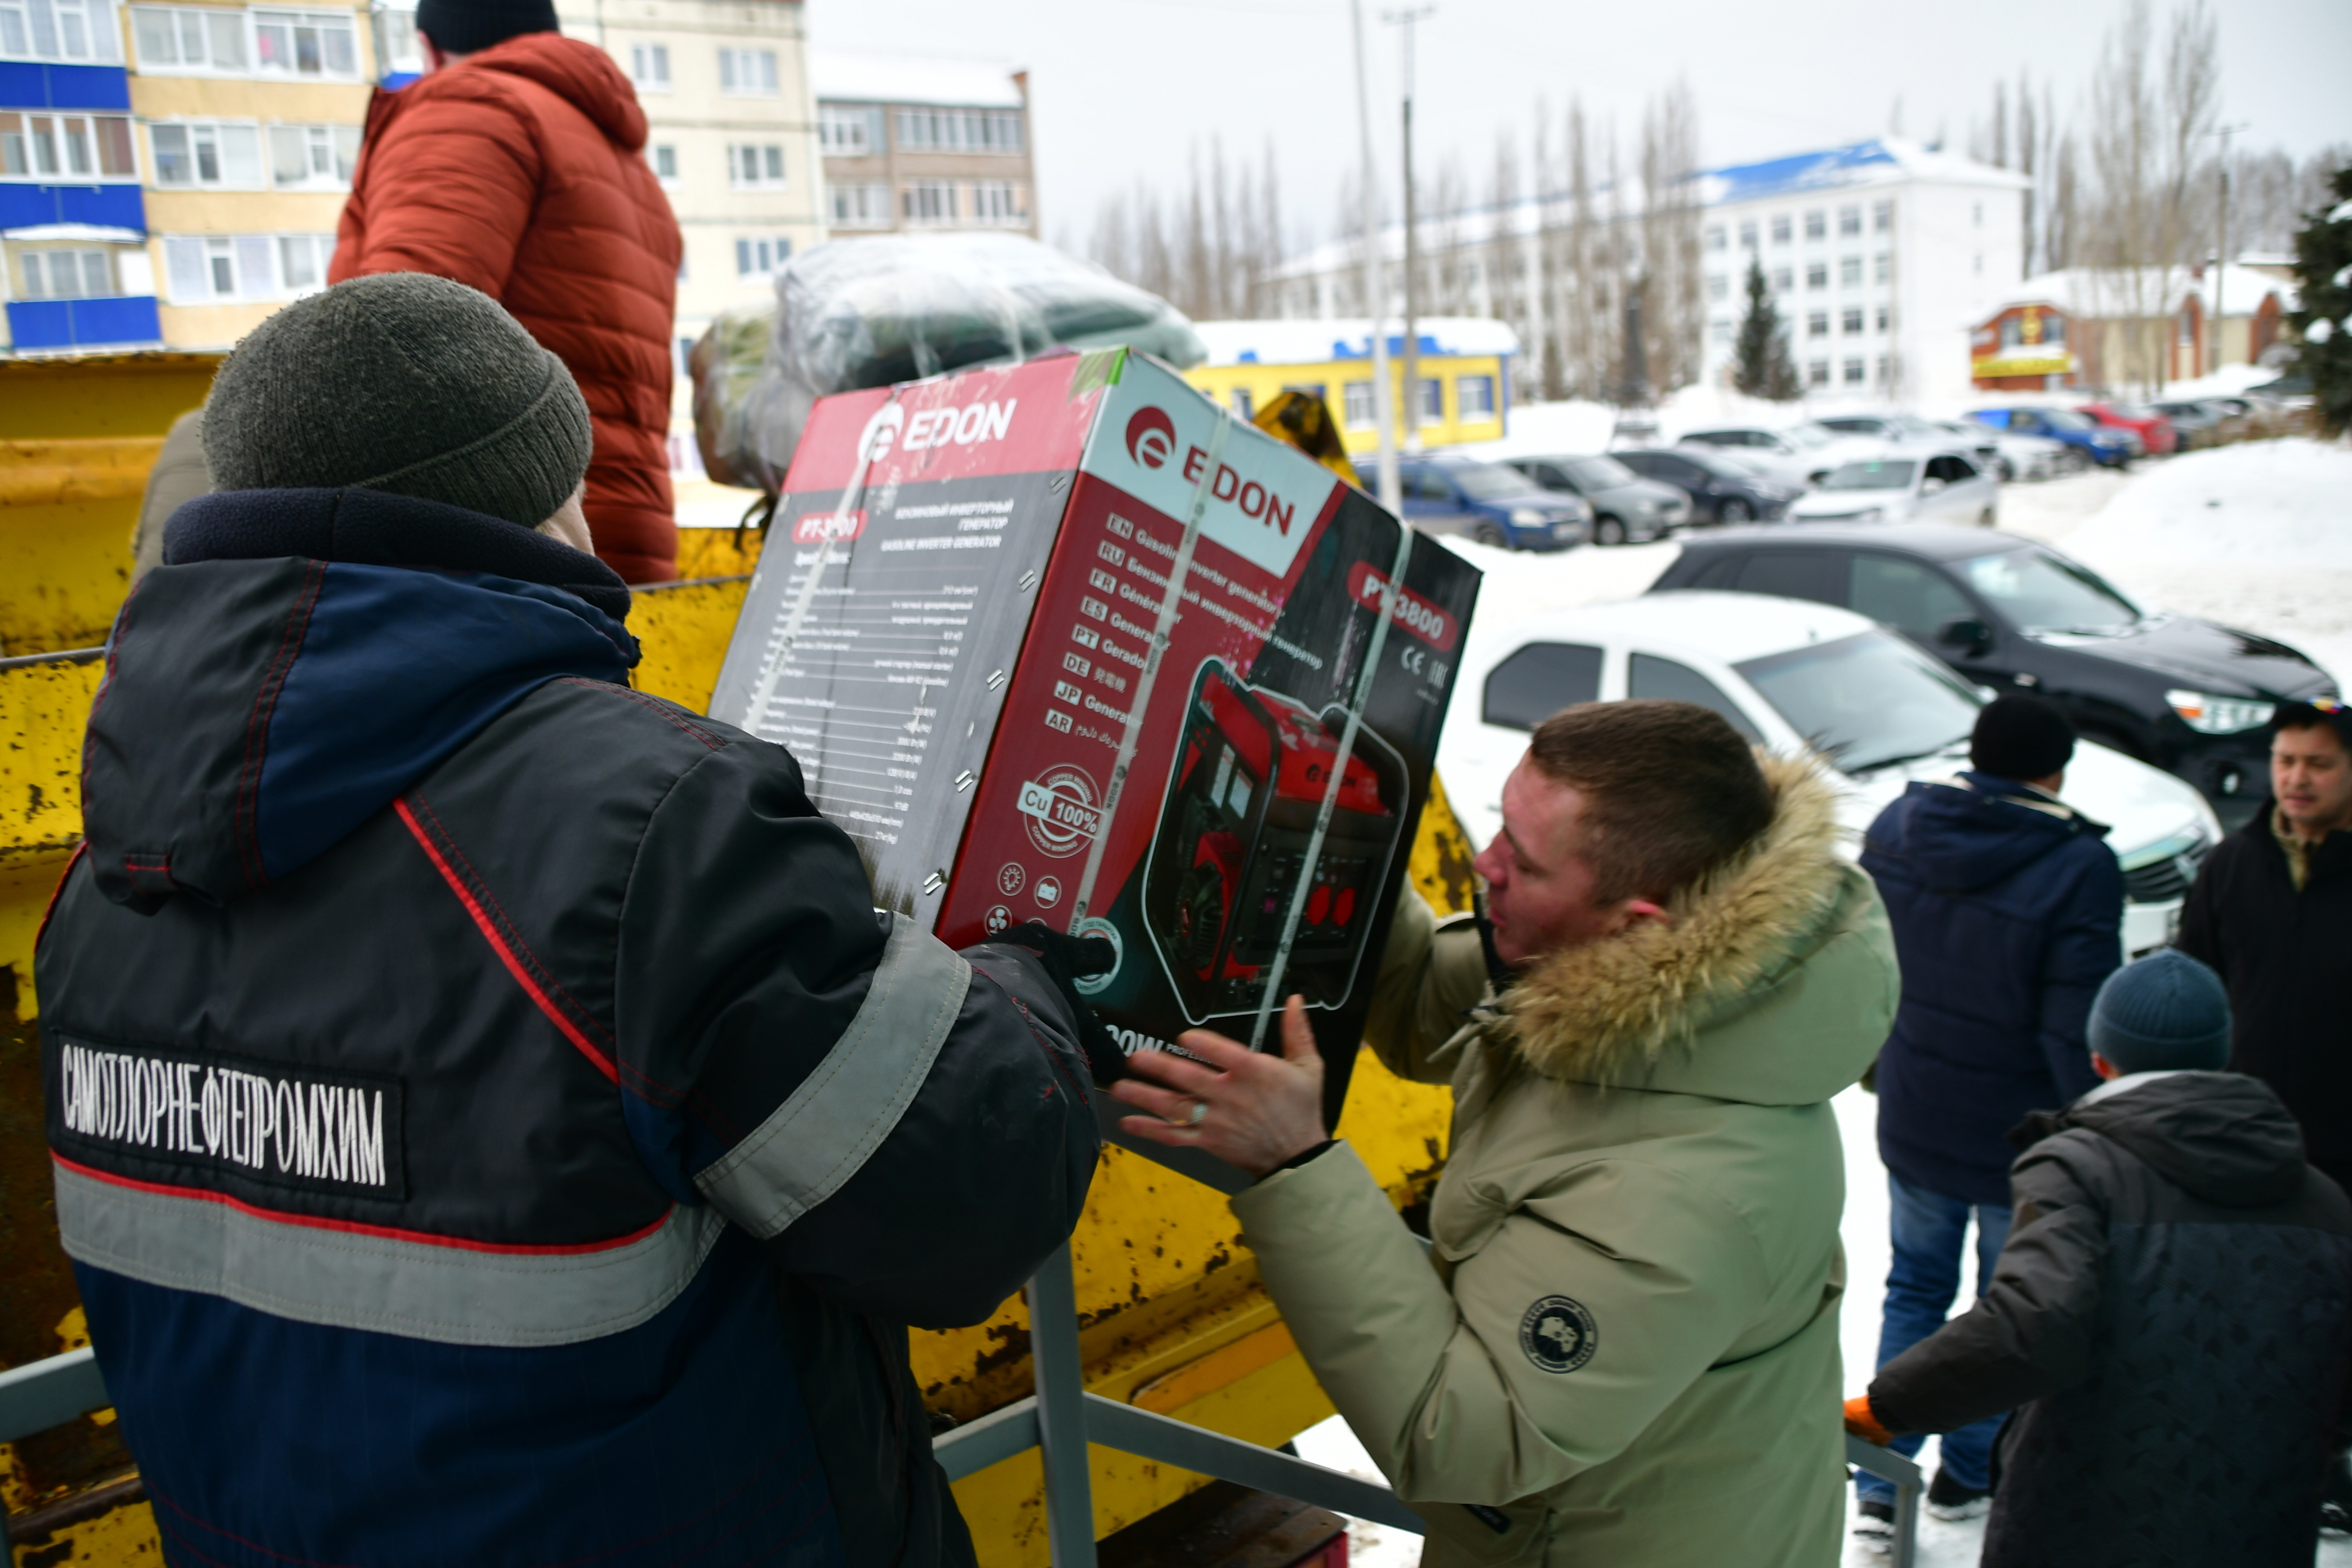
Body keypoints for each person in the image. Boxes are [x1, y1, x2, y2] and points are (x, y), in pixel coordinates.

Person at [40, 274, 1106, 1568]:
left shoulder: (95, 886)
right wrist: (1030, 974)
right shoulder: (652, 833)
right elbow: (966, 1193)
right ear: (547, 500)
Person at [1112, 700, 1899, 1566]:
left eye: (1519, 863)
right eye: (1499, 831)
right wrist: (1335, 836)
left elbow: (1462, 1437)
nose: (1484, 864)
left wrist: (1292, 1163)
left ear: (1633, 927)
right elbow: (1420, 1008)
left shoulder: (1681, 1196)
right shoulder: (1663, 983)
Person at [1844, 948, 2352, 1567]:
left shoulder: (2079, 1170)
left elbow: (2030, 1327)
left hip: (2083, 1514)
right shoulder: (2324, 1204)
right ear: (2223, 1053)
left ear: (2100, 1059)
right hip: (2257, 1524)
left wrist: (1885, 1408)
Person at [1851, 693, 2122, 1539]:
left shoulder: (1898, 827)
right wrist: (2093, 1124)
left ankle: (1878, 1479)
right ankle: (1966, 1478)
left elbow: (1870, 967)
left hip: (1918, 1109)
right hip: (2024, 1138)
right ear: (2055, 770)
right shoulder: (2077, 864)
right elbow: (2069, 1030)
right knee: (2004, 1310)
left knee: (1914, 1287)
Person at [331, 0, 683, 585]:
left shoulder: (466, 109)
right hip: (619, 523)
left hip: (503, 544)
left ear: (428, 48)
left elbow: (396, 337)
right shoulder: (621, 160)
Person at [2177, 699, 2352, 1195]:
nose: (2297, 779)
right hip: (2242, 1136)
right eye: (2286, 761)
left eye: (2319, 764)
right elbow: (2195, 983)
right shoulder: (2231, 864)